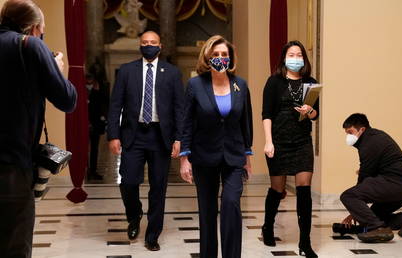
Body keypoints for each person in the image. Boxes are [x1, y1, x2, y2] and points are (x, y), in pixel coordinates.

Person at [0, 0, 77, 257]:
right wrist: (58, 71)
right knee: (15, 242)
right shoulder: (30, 45)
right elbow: (67, 100)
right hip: (11, 162)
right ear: (34, 27)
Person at [107, 30, 184, 251]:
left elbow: (180, 109)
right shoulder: (126, 71)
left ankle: (152, 235)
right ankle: (134, 214)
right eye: (145, 42)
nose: (148, 45)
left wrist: (179, 139)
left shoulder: (172, 73)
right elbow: (115, 106)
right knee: (128, 181)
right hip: (133, 135)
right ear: (139, 45)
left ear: (160, 46)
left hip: (161, 137)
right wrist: (113, 135)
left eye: (153, 42)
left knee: (158, 187)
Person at [179, 35, 253, 258]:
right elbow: (187, 122)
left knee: (231, 205)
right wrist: (184, 157)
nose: (220, 58)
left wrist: (247, 156)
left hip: (234, 157)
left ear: (230, 58)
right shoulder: (195, 85)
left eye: (224, 55)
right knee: (208, 212)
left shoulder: (240, 85)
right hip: (204, 156)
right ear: (208, 58)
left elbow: (245, 122)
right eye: (216, 55)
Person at [261, 40, 318, 258]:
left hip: (302, 142)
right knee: (278, 188)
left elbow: (315, 115)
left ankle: (305, 242)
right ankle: (267, 226)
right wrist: (268, 141)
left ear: (304, 58)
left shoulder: (310, 83)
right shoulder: (274, 82)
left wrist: (310, 110)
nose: (296, 58)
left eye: (299, 54)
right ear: (284, 58)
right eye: (291, 54)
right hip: (278, 141)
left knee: (304, 189)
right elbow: (266, 114)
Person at [340, 113, 402, 243]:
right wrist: (359, 212)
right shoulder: (375, 137)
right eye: (346, 133)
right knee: (373, 216)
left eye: (350, 132)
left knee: (348, 196)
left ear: (362, 129)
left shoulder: (368, 143)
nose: (348, 136)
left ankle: (378, 229)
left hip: (395, 184)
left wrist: (355, 209)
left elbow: (364, 177)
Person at [86, 73, 107, 180]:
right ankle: (86, 171)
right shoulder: (81, 89)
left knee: (95, 149)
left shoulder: (99, 89)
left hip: (96, 123)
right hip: (84, 123)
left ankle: (93, 171)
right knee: (84, 149)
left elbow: (103, 103)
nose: (89, 80)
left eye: (91, 78)